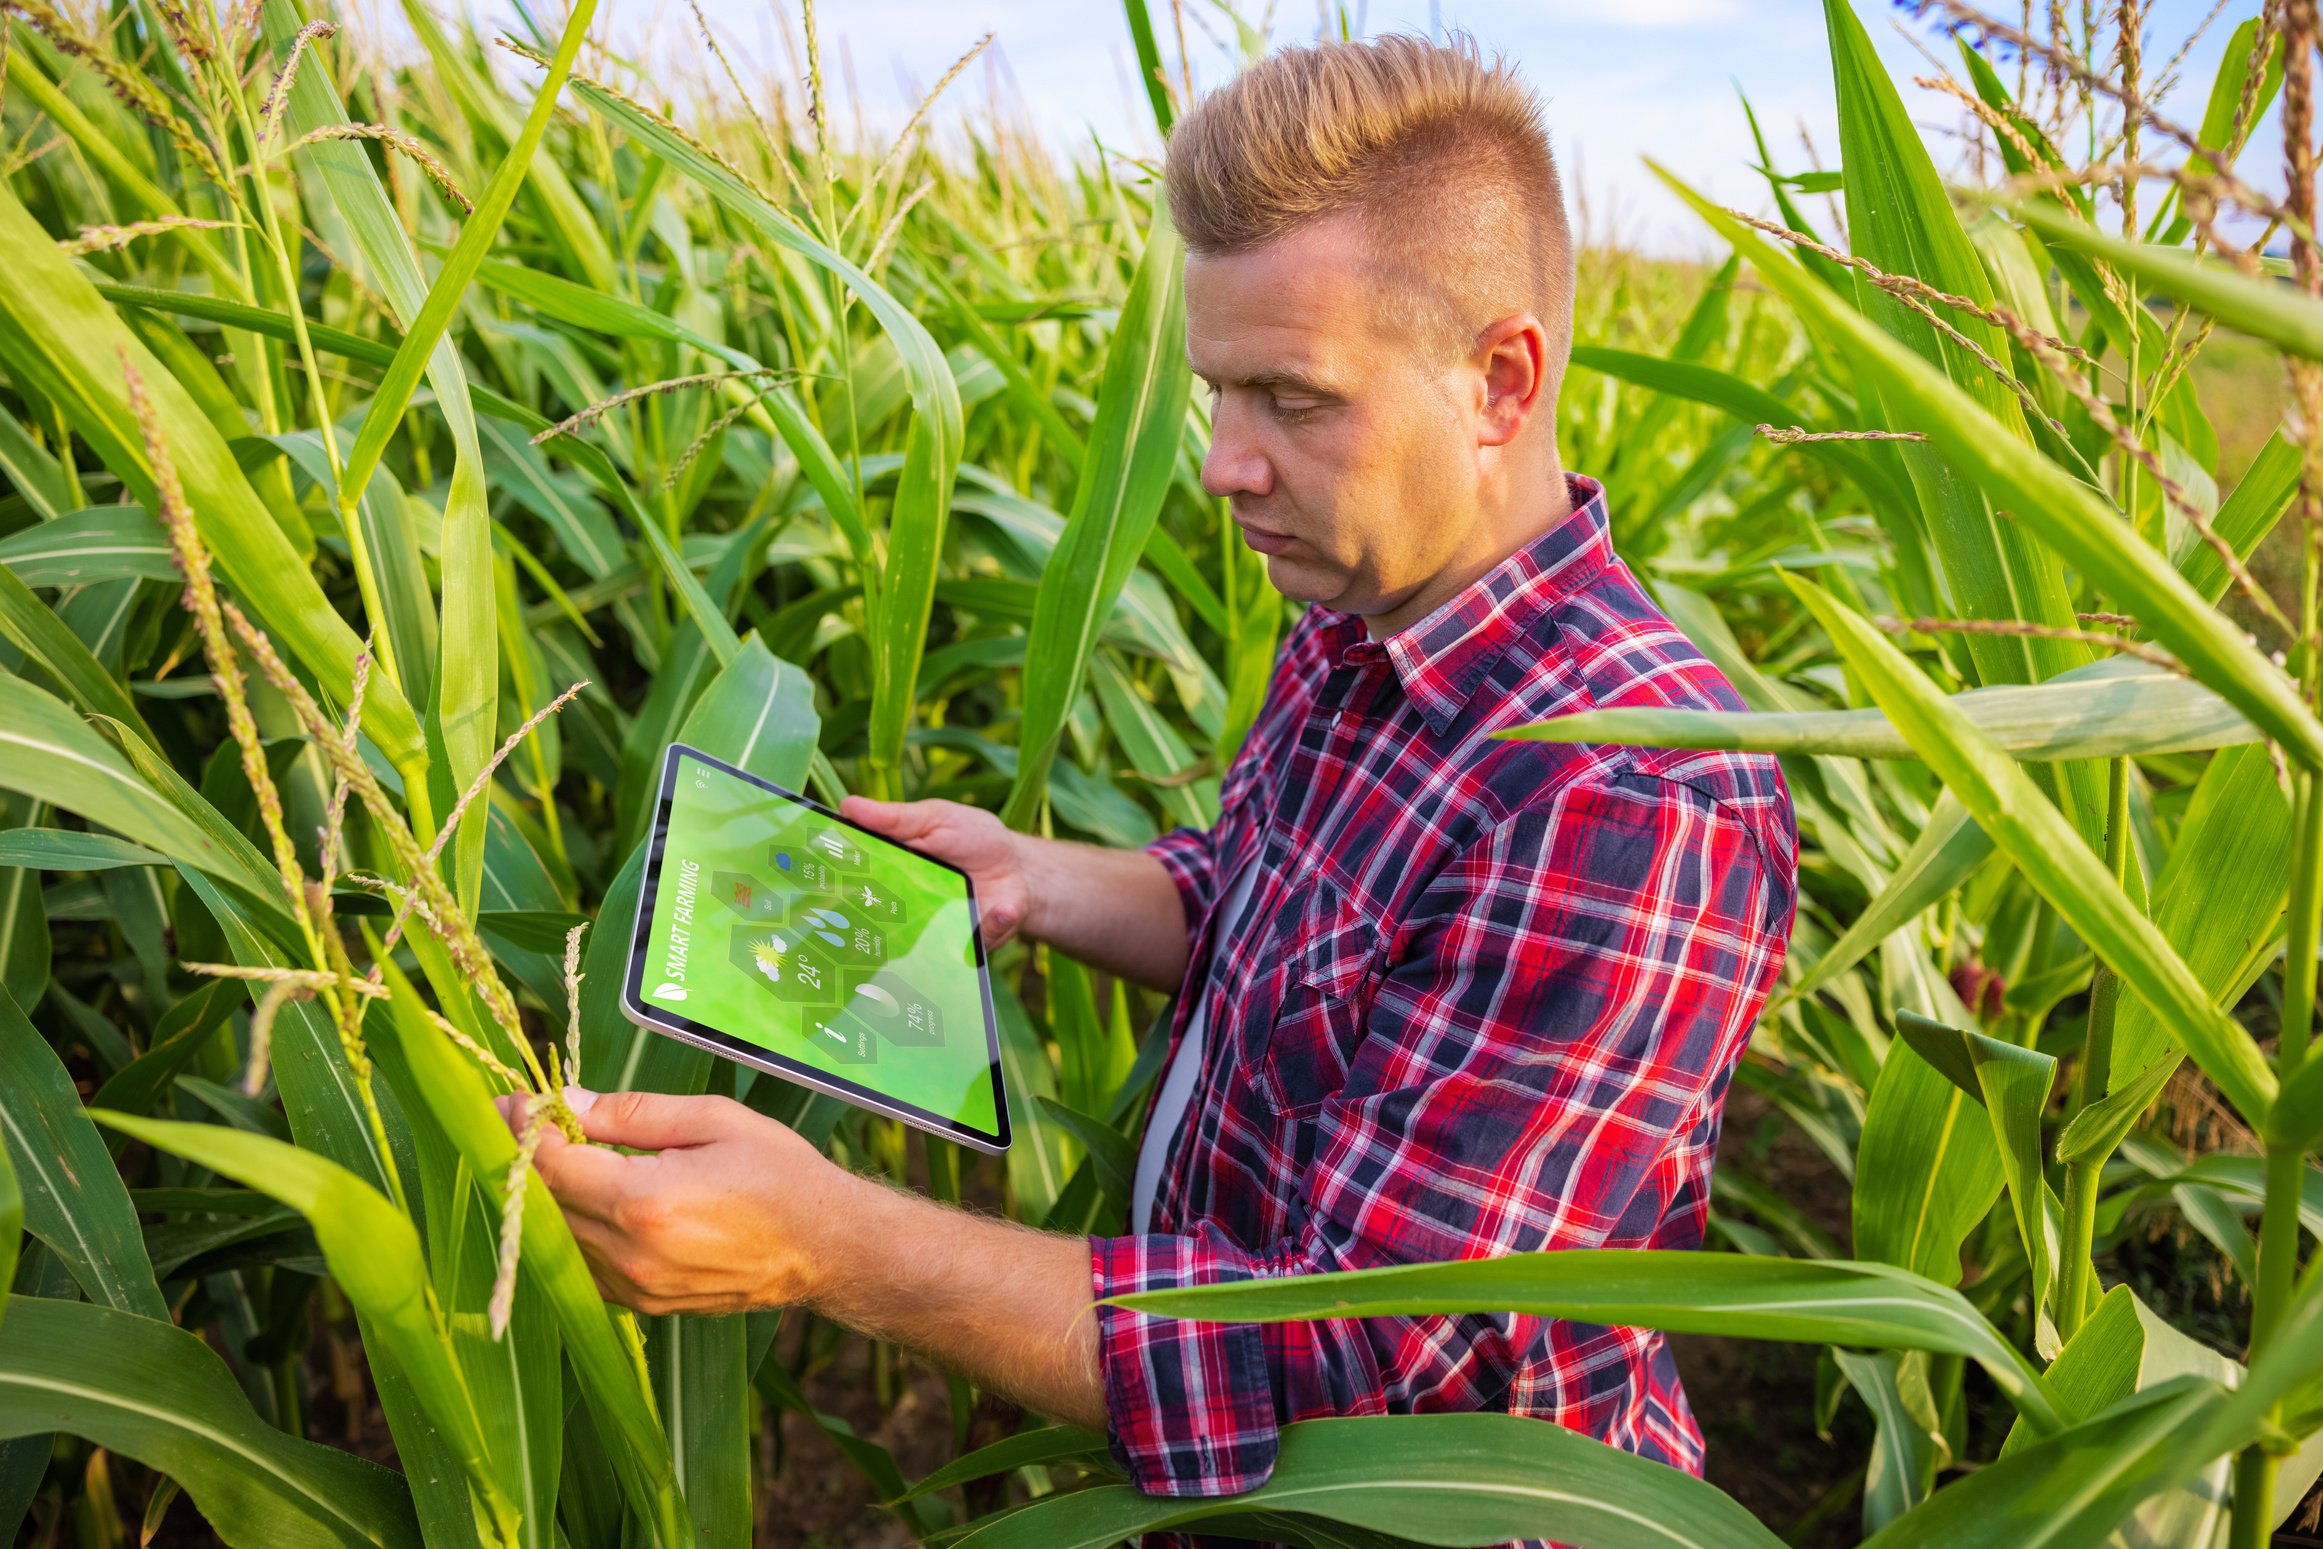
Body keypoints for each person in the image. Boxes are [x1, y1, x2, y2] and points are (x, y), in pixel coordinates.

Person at [506, 30, 1796, 1542]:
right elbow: (1262, 895)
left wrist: (834, 1245)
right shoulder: (1358, 613)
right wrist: (1037, 878)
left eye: (1293, 399)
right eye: (1215, 393)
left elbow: (1361, 1356)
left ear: (1498, 380)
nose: (1225, 465)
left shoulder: (1628, 790)